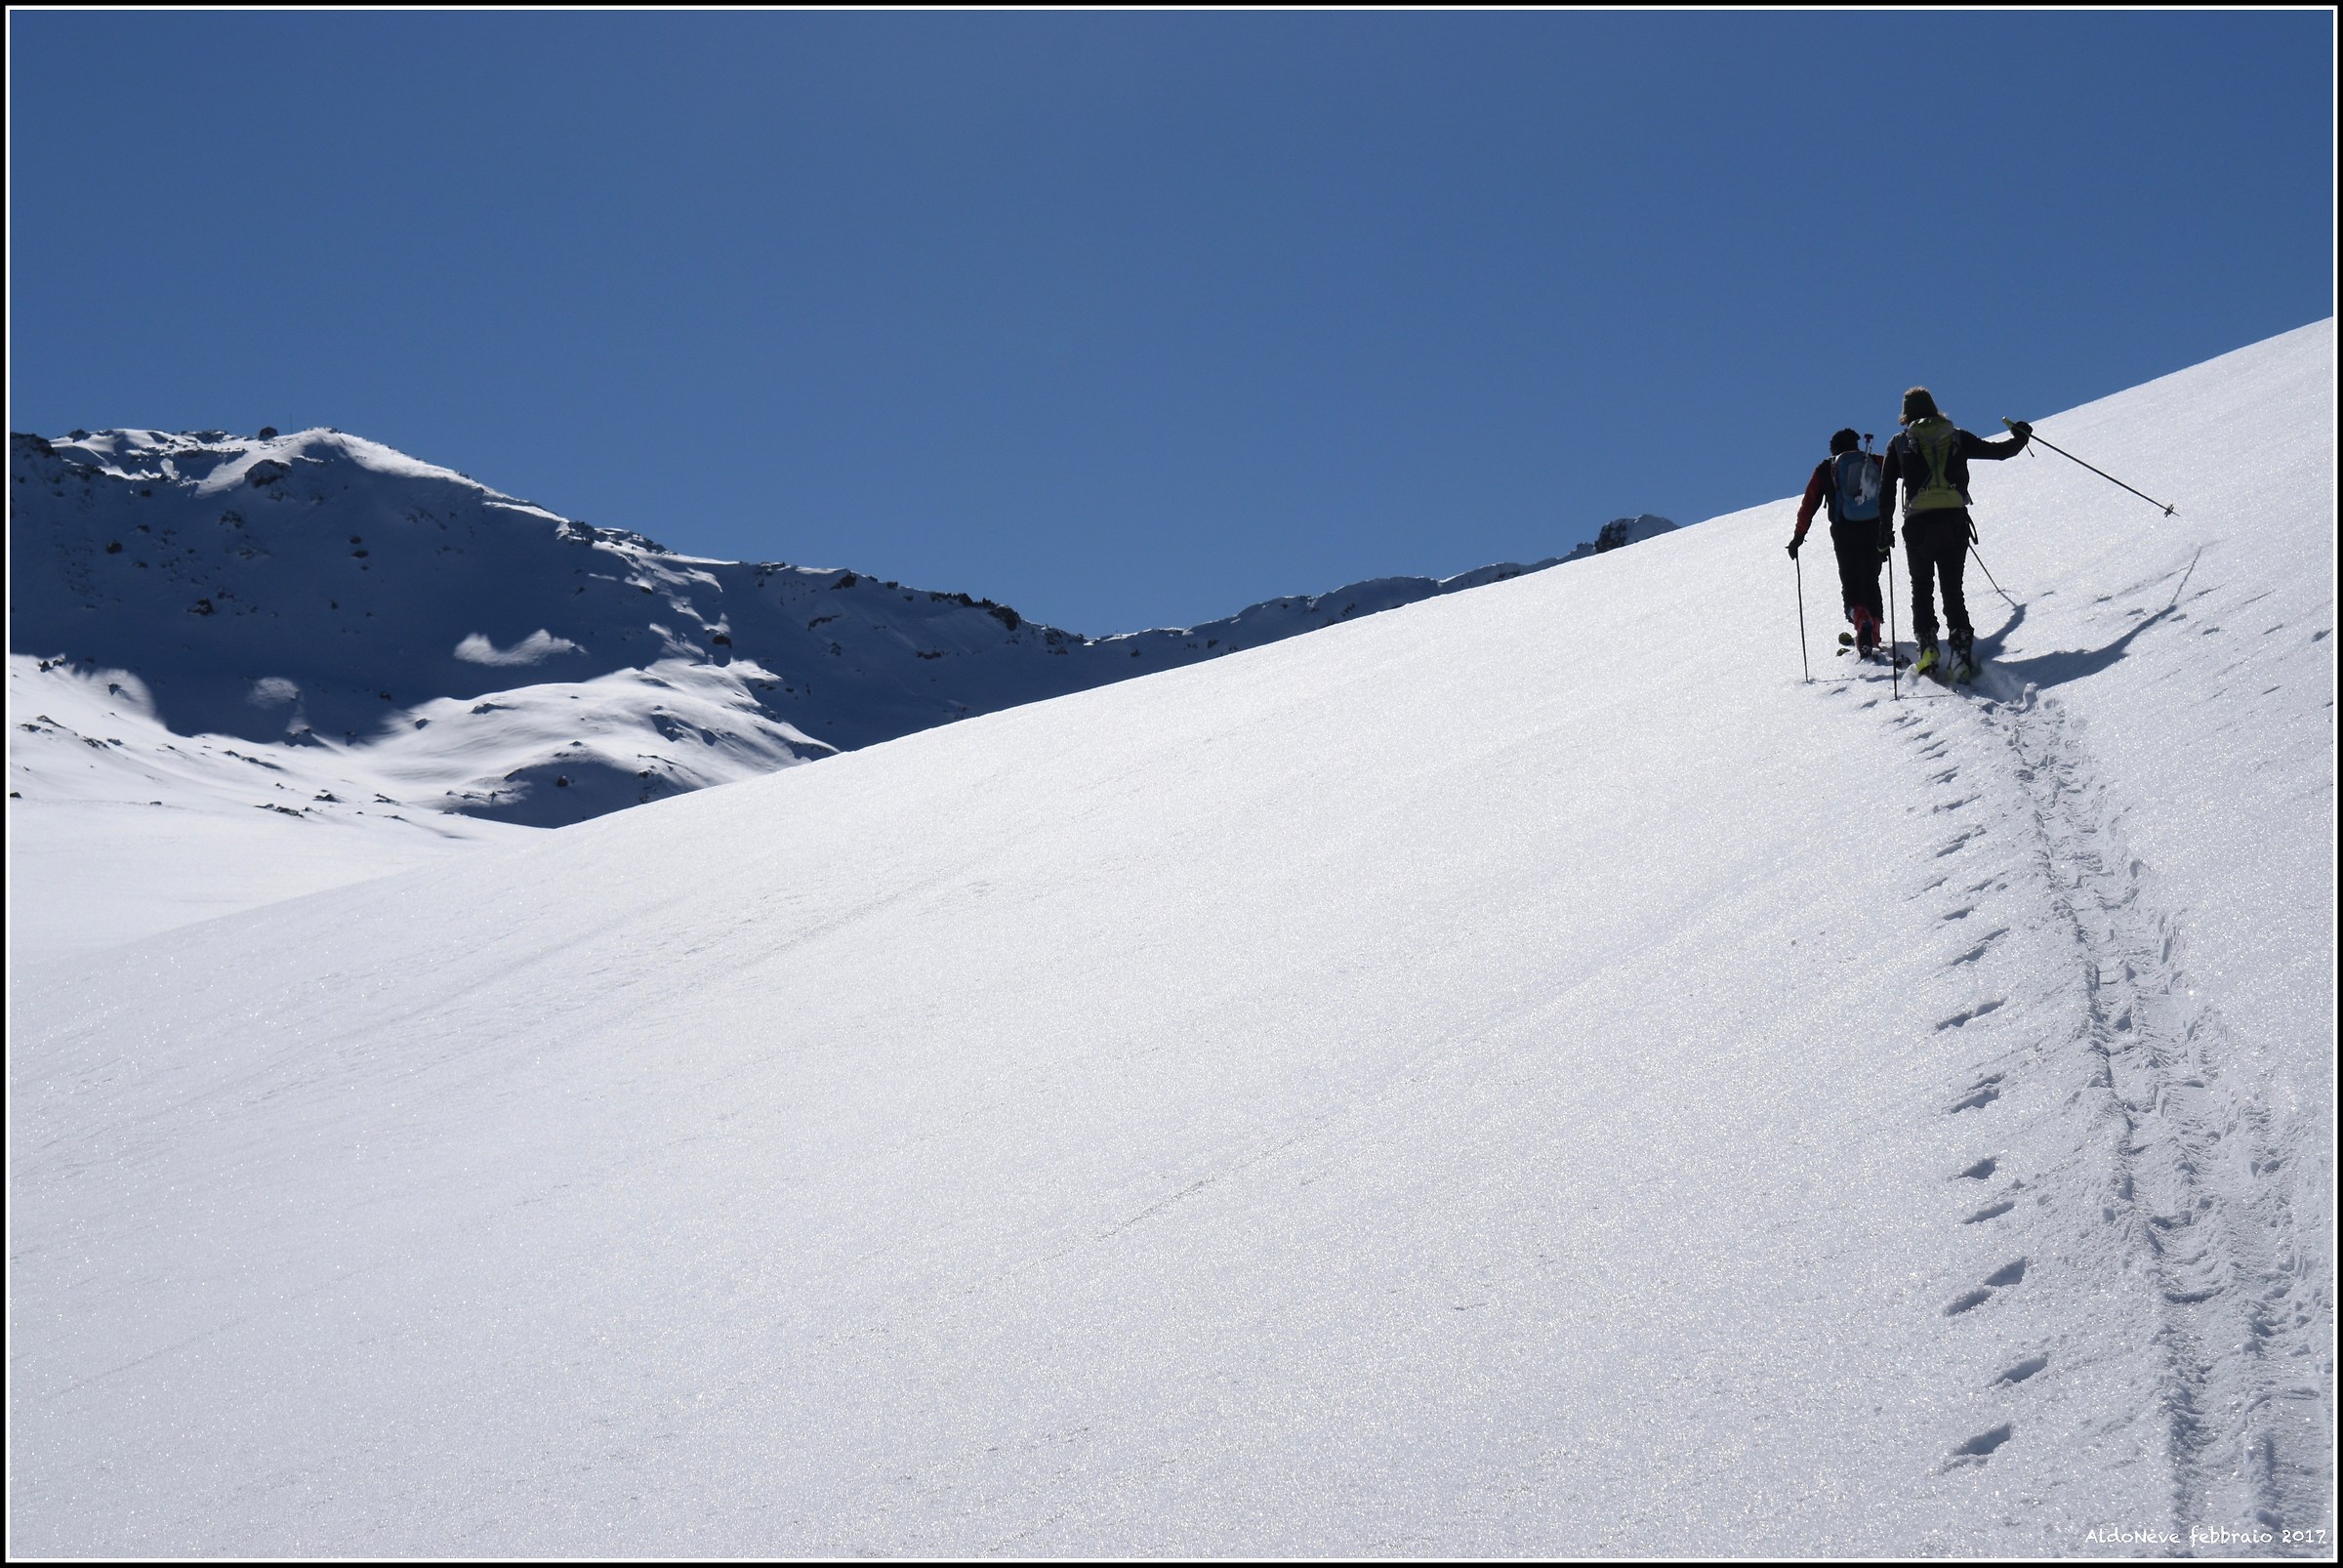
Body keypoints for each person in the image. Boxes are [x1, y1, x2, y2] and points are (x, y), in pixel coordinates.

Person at [1880, 388, 2031, 678]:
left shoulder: (1899, 442)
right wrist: (2020, 436)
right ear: (1934, 408)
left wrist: (1884, 532)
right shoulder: (1956, 436)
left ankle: (1928, 648)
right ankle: (1960, 650)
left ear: (1906, 415)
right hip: (1953, 520)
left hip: (1918, 525)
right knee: (1952, 589)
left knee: (1921, 587)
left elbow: (1886, 492)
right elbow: (2001, 453)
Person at [1788, 428, 1890, 657]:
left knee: (1851, 581)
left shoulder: (1827, 468)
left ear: (1834, 448)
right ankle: (1874, 631)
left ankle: (1860, 619)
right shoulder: (1873, 460)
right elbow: (1897, 473)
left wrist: (1798, 537)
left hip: (1844, 531)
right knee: (1871, 580)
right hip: (1875, 528)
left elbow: (1809, 503)